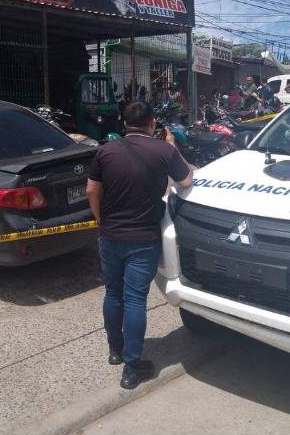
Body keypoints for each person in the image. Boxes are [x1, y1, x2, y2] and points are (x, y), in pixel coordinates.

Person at [86, 101, 193, 389]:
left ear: (124, 123)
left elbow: (92, 190)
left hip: (110, 235)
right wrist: (172, 145)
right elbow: (186, 180)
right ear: (152, 124)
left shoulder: (106, 151)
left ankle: (115, 350)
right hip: (143, 238)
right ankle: (132, 367)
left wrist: (100, 220)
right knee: (135, 299)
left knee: (113, 293)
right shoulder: (164, 151)